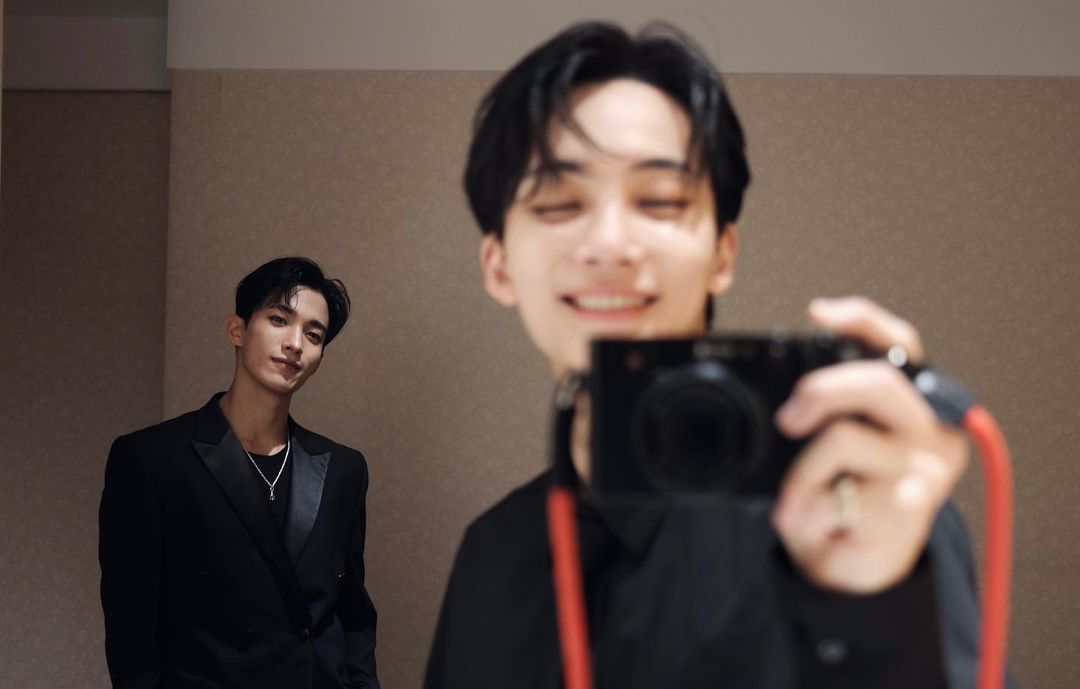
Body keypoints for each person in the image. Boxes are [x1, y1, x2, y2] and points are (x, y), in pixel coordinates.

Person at [425, 21, 1007, 689]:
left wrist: (877, 605)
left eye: (661, 200)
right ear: (498, 265)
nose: (610, 244)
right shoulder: (491, 552)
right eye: (558, 202)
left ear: (723, 255)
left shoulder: (858, 502)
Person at [99, 257, 379, 689]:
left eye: (313, 334)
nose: (295, 343)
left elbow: (353, 612)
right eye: (279, 320)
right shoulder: (152, 458)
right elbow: (130, 630)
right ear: (237, 330)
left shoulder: (344, 468)